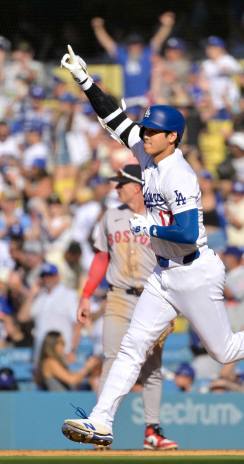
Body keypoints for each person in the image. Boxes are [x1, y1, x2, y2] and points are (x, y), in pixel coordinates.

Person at [59, 47, 244, 446]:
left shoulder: (178, 174)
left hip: (195, 270)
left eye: (152, 131)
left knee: (226, 350)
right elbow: (113, 117)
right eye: (145, 130)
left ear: (172, 137)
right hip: (163, 274)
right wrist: (84, 79)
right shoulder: (147, 150)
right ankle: (101, 420)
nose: (144, 134)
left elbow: (185, 233)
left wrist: (145, 225)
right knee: (132, 346)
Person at [77, 164, 178, 450]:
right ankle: (99, 429)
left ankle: (152, 432)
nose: (116, 187)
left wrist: (172, 309)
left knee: (152, 367)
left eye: (121, 183)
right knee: (111, 360)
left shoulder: (160, 217)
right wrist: (86, 294)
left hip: (153, 297)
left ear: (137, 186)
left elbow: (173, 263)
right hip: (119, 296)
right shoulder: (111, 217)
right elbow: (101, 258)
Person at [90, 12, 174, 108]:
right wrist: (98, 28)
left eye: (138, 44)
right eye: (132, 44)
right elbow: (108, 44)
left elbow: (158, 40)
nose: (135, 47)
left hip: (145, 99)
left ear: (142, 46)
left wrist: (166, 25)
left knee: (158, 106)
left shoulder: (147, 55)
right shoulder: (123, 57)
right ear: (128, 46)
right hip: (128, 100)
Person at [18, 263, 79, 363]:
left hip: (62, 351)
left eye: (50, 275)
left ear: (57, 276)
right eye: (44, 276)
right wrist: (32, 294)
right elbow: (22, 318)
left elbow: (77, 324)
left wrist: (72, 350)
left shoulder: (69, 295)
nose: (47, 279)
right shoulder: (39, 296)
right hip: (40, 354)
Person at [34, 331, 100, 391]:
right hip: (59, 401)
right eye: (61, 342)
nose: (64, 345)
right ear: (53, 344)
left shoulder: (56, 360)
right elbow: (72, 380)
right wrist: (86, 368)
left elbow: (75, 376)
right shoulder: (50, 362)